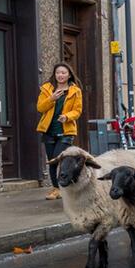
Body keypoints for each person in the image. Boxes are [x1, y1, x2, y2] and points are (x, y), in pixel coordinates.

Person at [36, 63, 84, 200]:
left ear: (69, 75)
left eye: (63, 73)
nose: (60, 75)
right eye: (58, 73)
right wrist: (52, 98)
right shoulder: (46, 89)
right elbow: (40, 108)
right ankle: (56, 189)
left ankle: (65, 187)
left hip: (66, 131)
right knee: (52, 161)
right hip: (49, 130)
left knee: (59, 160)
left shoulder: (75, 91)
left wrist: (67, 117)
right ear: (54, 74)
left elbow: (78, 111)